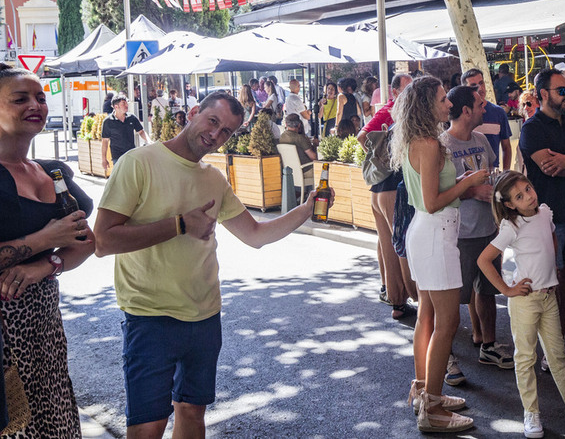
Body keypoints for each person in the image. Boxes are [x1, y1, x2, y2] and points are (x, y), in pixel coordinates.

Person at [93, 92, 323, 439]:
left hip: (204, 318)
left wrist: (306, 210)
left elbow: (255, 235)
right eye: (212, 121)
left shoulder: (214, 178)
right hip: (150, 318)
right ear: (194, 112)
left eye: (227, 131)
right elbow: (102, 240)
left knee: (192, 413)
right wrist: (180, 224)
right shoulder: (139, 162)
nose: (216, 135)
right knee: (147, 426)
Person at [0, 63, 96, 439]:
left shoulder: (53, 173)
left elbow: (86, 242)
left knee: (55, 420)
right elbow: (60, 234)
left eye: (40, 97)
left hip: (44, 331)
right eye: (19, 98)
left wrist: (47, 264)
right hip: (5, 337)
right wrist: (44, 239)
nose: (35, 104)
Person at [389, 76, 487, 432]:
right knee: (446, 323)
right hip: (435, 233)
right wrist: (468, 182)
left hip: (426, 233)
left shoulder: (419, 141)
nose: (449, 104)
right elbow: (432, 202)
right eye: (444, 99)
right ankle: (432, 408)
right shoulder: (430, 144)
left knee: (427, 317)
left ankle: (424, 391)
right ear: (427, 105)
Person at [478, 171, 565, 439]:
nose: (529, 196)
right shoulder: (511, 226)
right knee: (525, 358)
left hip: (549, 297)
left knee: (557, 355)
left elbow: (550, 237)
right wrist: (506, 289)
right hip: (525, 301)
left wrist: (551, 270)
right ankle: (531, 411)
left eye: (528, 189)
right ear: (509, 205)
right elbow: (484, 260)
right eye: (519, 195)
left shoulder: (545, 213)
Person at [519, 68, 565, 361]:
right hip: (548, 219)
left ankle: (559, 341)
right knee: (552, 284)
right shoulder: (532, 128)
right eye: (562, 91)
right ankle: (552, 349)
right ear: (543, 94)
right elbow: (548, 166)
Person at [441, 85, 513, 373]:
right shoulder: (441, 145)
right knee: (450, 299)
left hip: (488, 230)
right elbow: (435, 193)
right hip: (459, 233)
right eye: (481, 104)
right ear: (466, 111)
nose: (486, 108)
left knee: (486, 291)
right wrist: (472, 192)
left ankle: (489, 346)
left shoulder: (482, 139)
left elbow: (491, 173)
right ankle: (445, 356)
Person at [359, 73, 414, 320]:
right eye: (408, 88)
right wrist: (386, 160)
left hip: (380, 189)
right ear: (394, 92)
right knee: (401, 244)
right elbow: (362, 136)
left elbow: (364, 138)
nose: (412, 92)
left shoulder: (395, 111)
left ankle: (397, 301)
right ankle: (412, 298)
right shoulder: (395, 110)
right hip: (391, 187)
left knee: (389, 244)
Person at [462, 68, 513, 170]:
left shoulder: (498, 112)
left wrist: (505, 174)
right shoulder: (462, 114)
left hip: (492, 173)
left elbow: (506, 147)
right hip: (467, 175)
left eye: (481, 83)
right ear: (465, 89)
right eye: (474, 86)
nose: (480, 88)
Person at [102, 94, 149, 172]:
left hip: (131, 155)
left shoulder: (132, 118)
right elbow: (105, 142)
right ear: (116, 107)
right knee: (120, 180)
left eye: (126, 103)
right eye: (123, 103)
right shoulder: (108, 122)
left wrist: (148, 140)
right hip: (117, 157)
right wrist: (104, 159)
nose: (126, 105)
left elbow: (141, 132)